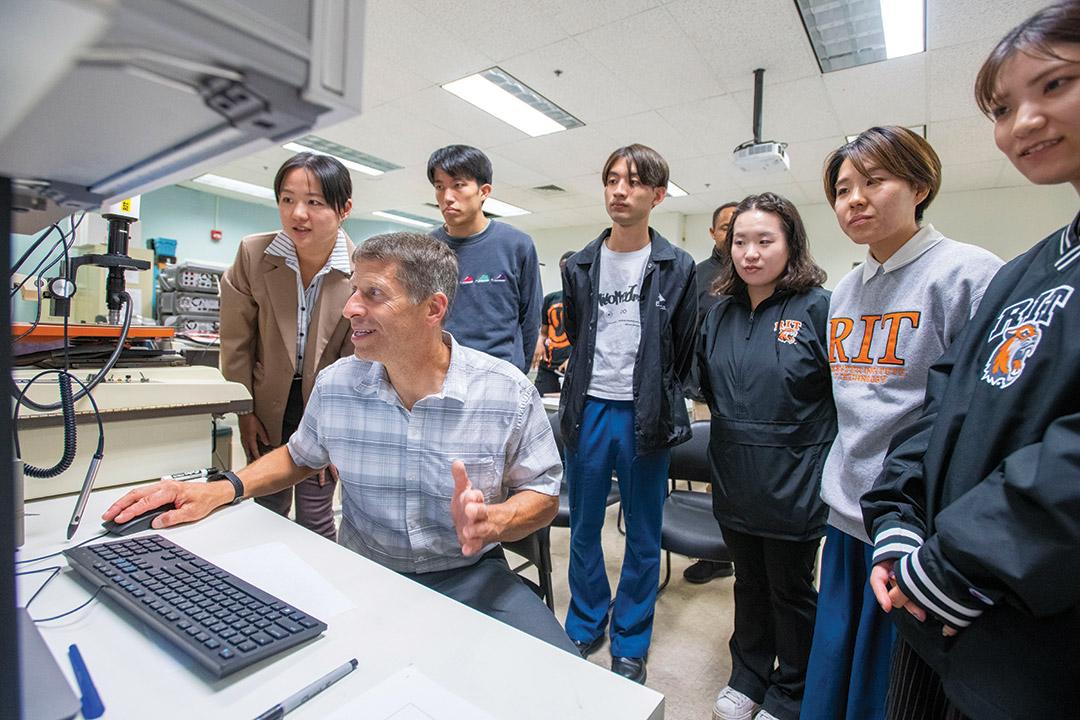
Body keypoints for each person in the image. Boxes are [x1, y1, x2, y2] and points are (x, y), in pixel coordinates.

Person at [106, 232, 577, 654]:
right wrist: (221, 488)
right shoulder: (337, 385)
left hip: (470, 574)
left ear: (432, 309)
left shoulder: (505, 390)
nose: (351, 307)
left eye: (373, 294)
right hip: (363, 572)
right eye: (354, 290)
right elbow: (298, 457)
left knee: (566, 681)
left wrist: (493, 520)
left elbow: (542, 493)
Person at [862, 4, 1080, 717]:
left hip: (1032, 626)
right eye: (1002, 106)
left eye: (1054, 86)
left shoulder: (968, 268)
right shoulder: (1027, 271)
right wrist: (896, 516)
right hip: (940, 607)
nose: (1022, 123)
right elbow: (943, 399)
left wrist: (963, 557)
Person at [801, 126, 1002, 720]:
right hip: (845, 512)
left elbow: (977, 418)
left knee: (890, 688)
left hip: (916, 526)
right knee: (833, 661)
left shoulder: (969, 274)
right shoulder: (844, 292)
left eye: (874, 181)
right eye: (842, 189)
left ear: (920, 185)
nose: (855, 199)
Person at [560, 144, 697, 684]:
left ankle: (631, 638)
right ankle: (588, 618)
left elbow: (681, 348)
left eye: (635, 182)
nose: (620, 190)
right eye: (613, 179)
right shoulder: (580, 263)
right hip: (588, 408)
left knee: (643, 533)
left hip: (647, 416)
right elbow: (574, 331)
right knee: (583, 528)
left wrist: (653, 393)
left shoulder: (677, 266)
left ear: (657, 196)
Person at [700, 193, 835, 720]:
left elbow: (838, 396)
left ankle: (791, 691)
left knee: (790, 590)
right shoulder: (719, 314)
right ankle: (748, 676)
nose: (750, 252)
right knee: (748, 583)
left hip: (795, 480)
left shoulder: (818, 308)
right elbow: (712, 391)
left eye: (765, 240)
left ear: (791, 244)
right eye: (740, 241)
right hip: (735, 474)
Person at [219, 152, 357, 541]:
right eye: (287, 199)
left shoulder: (362, 269)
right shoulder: (253, 255)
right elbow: (236, 342)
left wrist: (335, 433)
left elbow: (358, 361)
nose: (298, 214)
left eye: (314, 202)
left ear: (344, 208)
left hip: (327, 405)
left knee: (316, 513)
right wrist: (243, 410)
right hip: (265, 402)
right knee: (267, 506)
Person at [428, 144, 542, 373]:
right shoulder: (426, 249)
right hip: (443, 373)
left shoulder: (517, 244)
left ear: (484, 191)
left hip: (502, 373)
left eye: (458, 185)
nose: (447, 196)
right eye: (440, 187)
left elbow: (530, 318)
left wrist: (519, 370)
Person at [684, 200, 739, 584]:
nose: (733, 234)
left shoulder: (761, 272)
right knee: (715, 475)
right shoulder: (697, 276)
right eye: (726, 227)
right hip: (708, 394)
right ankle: (717, 554)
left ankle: (747, 551)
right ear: (713, 233)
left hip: (754, 398)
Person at [531, 250, 575, 396]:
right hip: (547, 367)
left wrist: (573, 358)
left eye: (569, 266)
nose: (564, 270)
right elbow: (543, 331)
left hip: (570, 367)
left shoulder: (585, 299)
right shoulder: (551, 298)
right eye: (562, 266)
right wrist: (538, 343)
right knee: (539, 402)